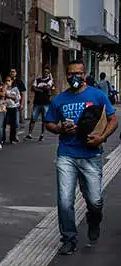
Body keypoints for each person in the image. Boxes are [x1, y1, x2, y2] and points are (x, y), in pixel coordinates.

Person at [45, 60, 118, 255]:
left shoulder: (97, 95)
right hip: (66, 155)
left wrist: (102, 137)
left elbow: (113, 119)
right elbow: (49, 123)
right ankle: (69, 238)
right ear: (66, 75)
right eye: (70, 73)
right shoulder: (59, 99)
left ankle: (94, 218)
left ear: (85, 74)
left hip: (91, 155)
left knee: (94, 200)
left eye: (78, 73)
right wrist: (60, 128)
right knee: (65, 201)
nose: (74, 77)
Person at [26, 66, 55, 141]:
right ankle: (29, 134)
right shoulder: (37, 79)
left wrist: (38, 88)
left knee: (44, 120)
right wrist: (41, 89)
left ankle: (42, 134)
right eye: (44, 72)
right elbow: (32, 88)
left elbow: (48, 88)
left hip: (46, 103)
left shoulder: (50, 80)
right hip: (37, 102)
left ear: (48, 73)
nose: (45, 73)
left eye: (47, 72)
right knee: (33, 118)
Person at [3, 75, 22, 144]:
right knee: (3, 124)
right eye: (6, 81)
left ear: (12, 81)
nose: (7, 82)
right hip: (4, 107)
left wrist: (9, 96)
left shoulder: (15, 89)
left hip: (13, 107)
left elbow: (17, 98)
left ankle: (12, 138)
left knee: (13, 124)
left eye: (9, 80)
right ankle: (3, 139)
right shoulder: (3, 88)